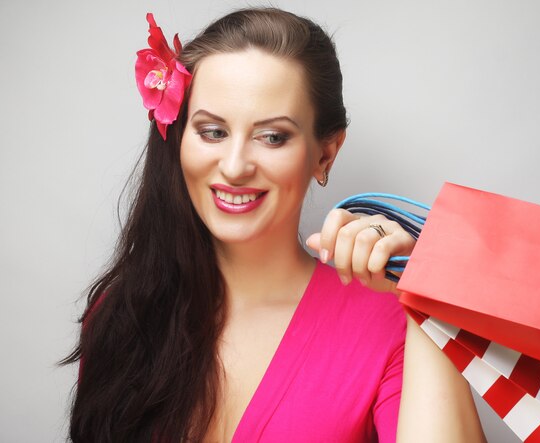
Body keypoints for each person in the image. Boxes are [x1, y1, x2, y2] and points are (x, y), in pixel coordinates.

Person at [63, 7, 485, 442]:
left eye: (272, 137)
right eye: (212, 132)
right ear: (178, 135)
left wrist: (424, 295)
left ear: (326, 154)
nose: (235, 166)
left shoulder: (390, 322)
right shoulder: (121, 315)